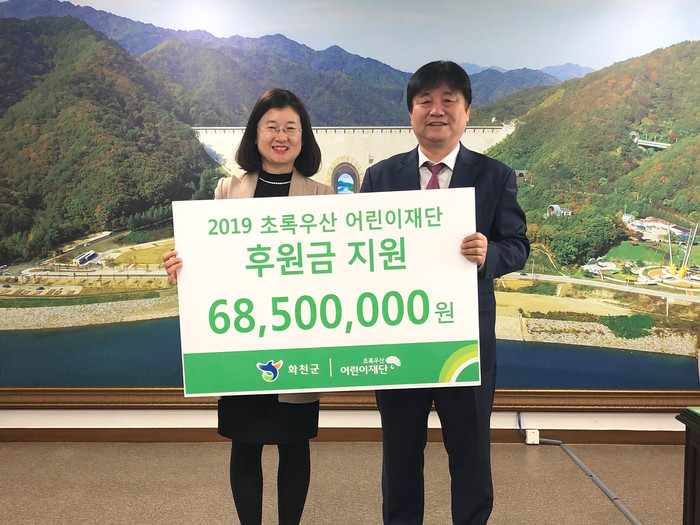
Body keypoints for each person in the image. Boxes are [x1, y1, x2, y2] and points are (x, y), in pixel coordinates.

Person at [360, 61, 529, 524]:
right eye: (425, 101)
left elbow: (518, 246)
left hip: (466, 340)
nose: (437, 110)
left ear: (467, 111)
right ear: (411, 113)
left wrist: (489, 253)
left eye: (448, 100)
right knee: (400, 456)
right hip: (400, 339)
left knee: (470, 455)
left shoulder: (495, 175)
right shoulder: (380, 177)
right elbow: (358, 252)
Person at [163, 88, 334, 525]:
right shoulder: (228, 190)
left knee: (294, 445)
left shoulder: (324, 196)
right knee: (245, 444)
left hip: (298, 339)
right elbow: (210, 260)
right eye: (271, 127)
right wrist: (182, 265)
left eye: (291, 128)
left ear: (303, 137)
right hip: (242, 339)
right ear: (255, 135)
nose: (281, 136)